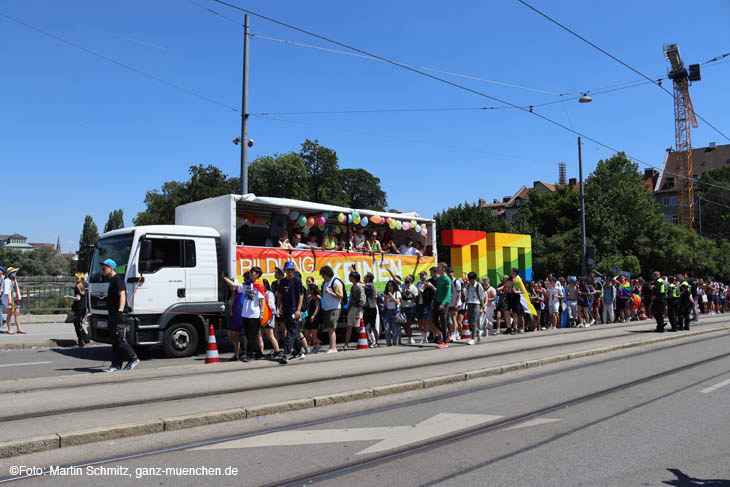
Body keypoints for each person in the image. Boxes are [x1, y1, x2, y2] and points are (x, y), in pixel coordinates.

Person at [100, 259, 139, 372]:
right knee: (115, 341)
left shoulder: (118, 280)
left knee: (120, 339)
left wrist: (121, 311)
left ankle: (133, 358)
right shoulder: (112, 281)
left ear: (111, 268)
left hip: (118, 315)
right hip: (112, 314)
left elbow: (122, 295)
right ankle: (116, 365)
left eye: (104, 268)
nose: (102, 270)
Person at [223, 267, 265, 362]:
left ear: (257, 275)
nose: (251, 273)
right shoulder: (246, 285)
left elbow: (262, 300)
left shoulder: (259, 286)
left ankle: (249, 355)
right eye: (251, 271)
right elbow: (235, 285)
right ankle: (259, 354)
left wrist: (261, 313)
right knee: (248, 335)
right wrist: (226, 279)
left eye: (253, 272)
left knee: (252, 336)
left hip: (254, 314)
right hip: (245, 314)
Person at [277, 261, 305, 364]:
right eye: (287, 270)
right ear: (284, 271)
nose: (289, 271)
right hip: (285, 310)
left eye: (291, 269)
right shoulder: (283, 281)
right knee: (292, 330)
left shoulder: (297, 280)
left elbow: (301, 295)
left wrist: (298, 310)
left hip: (294, 310)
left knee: (291, 331)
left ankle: (286, 353)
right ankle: (298, 351)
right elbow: (280, 295)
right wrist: (278, 308)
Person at [319, 265, 343, 354]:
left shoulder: (336, 282)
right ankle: (332, 347)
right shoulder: (324, 283)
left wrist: (330, 292)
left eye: (323, 274)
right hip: (327, 308)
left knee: (331, 328)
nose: (322, 276)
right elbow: (324, 295)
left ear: (327, 273)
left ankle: (333, 348)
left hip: (335, 308)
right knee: (329, 329)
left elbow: (340, 296)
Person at [64, 273, 91, 347]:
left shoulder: (77, 287)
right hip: (83, 307)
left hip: (79, 308)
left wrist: (69, 296)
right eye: (75, 278)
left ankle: (81, 340)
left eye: (77, 278)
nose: (76, 279)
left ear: (81, 279)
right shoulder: (83, 285)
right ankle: (85, 338)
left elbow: (78, 298)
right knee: (78, 324)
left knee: (77, 324)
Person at [343, 270, 366, 350]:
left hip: (358, 309)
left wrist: (359, 311)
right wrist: (349, 307)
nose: (349, 278)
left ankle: (367, 339)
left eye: (350, 277)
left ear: (354, 278)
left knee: (357, 327)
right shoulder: (353, 287)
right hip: (352, 309)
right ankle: (346, 345)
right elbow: (352, 299)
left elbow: (362, 299)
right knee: (349, 327)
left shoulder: (360, 287)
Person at [259, 279, 282, 358]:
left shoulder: (269, 293)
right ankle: (260, 352)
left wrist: (274, 312)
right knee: (259, 335)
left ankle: (277, 351)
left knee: (270, 336)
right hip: (262, 317)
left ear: (265, 285)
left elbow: (271, 305)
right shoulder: (263, 293)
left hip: (268, 317)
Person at [432, 262, 452, 348]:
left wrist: (443, 304)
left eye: (439, 268)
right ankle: (446, 335)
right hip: (437, 301)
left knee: (443, 321)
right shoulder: (439, 279)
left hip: (444, 302)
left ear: (443, 269)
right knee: (434, 320)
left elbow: (448, 294)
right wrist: (433, 300)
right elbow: (437, 291)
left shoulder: (447, 279)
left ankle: (444, 342)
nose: (437, 270)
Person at [464, 272, 486, 344]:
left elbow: (482, 297)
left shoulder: (478, 286)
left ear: (474, 279)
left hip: (476, 304)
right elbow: (466, 296)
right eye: (469, 279)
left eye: (471, 279)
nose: (470, 281)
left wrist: (483, 307)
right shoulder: (468, 286)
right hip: (469, 304)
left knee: (474, 322)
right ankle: (478, 331)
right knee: (469, 321)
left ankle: (472, 338)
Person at [2, 267, 25, 334]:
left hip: (15, 298)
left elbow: (16, 289)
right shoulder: (7, 280)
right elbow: (7, 291)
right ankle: (9, 329)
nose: (15, 273)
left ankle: (19, 328)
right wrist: (9, 300)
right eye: (13, 272)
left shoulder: (14, 280)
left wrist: (19, 298)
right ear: (10, 273)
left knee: (17, 313)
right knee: (9, 314)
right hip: (10, 299)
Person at [362, 272, 379, 347]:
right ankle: (370, 340)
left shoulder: (370, 285)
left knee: (373, 326)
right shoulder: (368, 285)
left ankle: (376, 342)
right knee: (364, 326)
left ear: (368, 278)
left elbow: (361, 284)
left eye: (365, 277)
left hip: (372, 308)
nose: (363, 278)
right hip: (367, 308)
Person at [304, 284, 322, 353]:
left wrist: (313, 316)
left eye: (308, 289)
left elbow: (317, 308)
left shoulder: (316, 299)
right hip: (307, 317)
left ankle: (315, 346)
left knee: (314, 335)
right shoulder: (308, 298)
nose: (307, 290)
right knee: (306, 333)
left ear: (312, 290)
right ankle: (318, 342)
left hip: (314, 318)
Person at [383, 280, 402, 346]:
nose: (389, 287)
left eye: (391, 286)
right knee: (386, 328)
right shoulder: (386, 293)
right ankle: (388, 342)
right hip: (388, 312)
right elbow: (385, 304)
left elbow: (397, 302)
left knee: (395, 328)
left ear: (394, 286)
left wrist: (391, 296)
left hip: (395, 312)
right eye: (388, 286)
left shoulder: (397, 293)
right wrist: (385, 298)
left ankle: (395, 342)